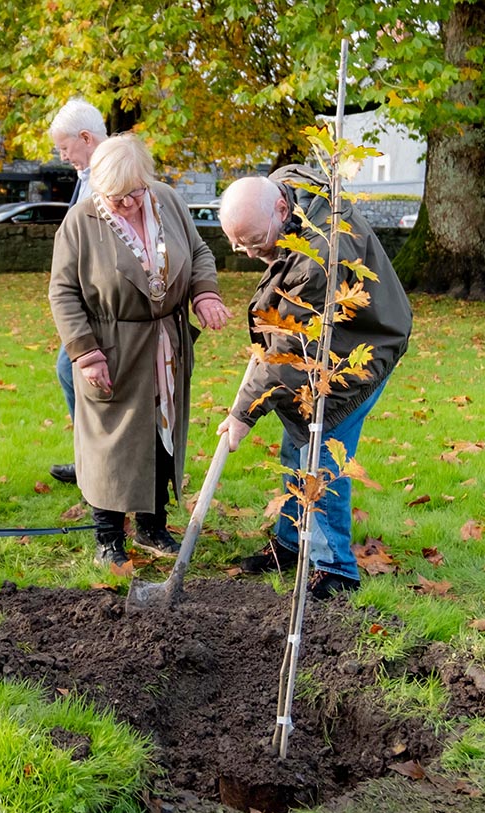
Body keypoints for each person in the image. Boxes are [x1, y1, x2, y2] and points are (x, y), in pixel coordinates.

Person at [215, 168, 413, 599]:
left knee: (318, 455)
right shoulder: (289, 186)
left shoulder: (319, 256)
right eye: (236, 241)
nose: (245, 252)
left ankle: (336, 569)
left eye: (250, 240)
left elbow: (287, 354)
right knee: (295, 439)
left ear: (281, 210)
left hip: (361, 348)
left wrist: (242, 414)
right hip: (330, 340)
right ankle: (290, 542)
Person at [49, 134, 230, 565]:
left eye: (134, 193)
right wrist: (86, 353)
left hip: (166, 341)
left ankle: (152, 524)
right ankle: (108, 536)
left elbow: (200, 251)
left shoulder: (166, 199)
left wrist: (204, 292)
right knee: (108, 442)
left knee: (160, 431)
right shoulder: (80, 221)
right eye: (115, 196)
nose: (127, 204)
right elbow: (62, 291)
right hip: (110, 348)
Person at [45, 98, 108, 485]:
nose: (63, 156)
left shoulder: (109, 175)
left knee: (73, 369)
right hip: (84, 299)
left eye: (65, 147)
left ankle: (95, 460)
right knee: (70, 371)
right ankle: (89, 457)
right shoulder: (88, 174)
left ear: (86, 138)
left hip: (102, 302)